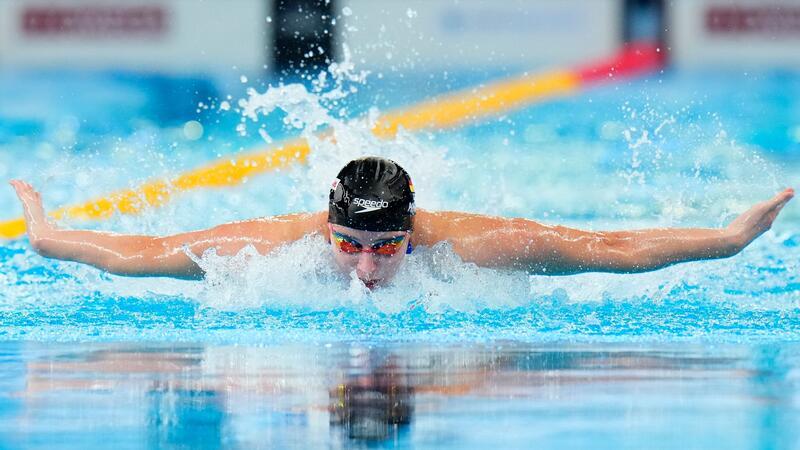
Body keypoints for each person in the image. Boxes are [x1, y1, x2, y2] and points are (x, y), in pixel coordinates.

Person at [8, 156, 795, 289]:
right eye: (350, 245)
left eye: (388, 248)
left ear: (413, 232)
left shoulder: (478, 247)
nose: (367, 269)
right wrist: (46, 235)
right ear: (326, 229)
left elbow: (608, 249)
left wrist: (729, 240)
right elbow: (142, 253)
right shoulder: (272, 251)